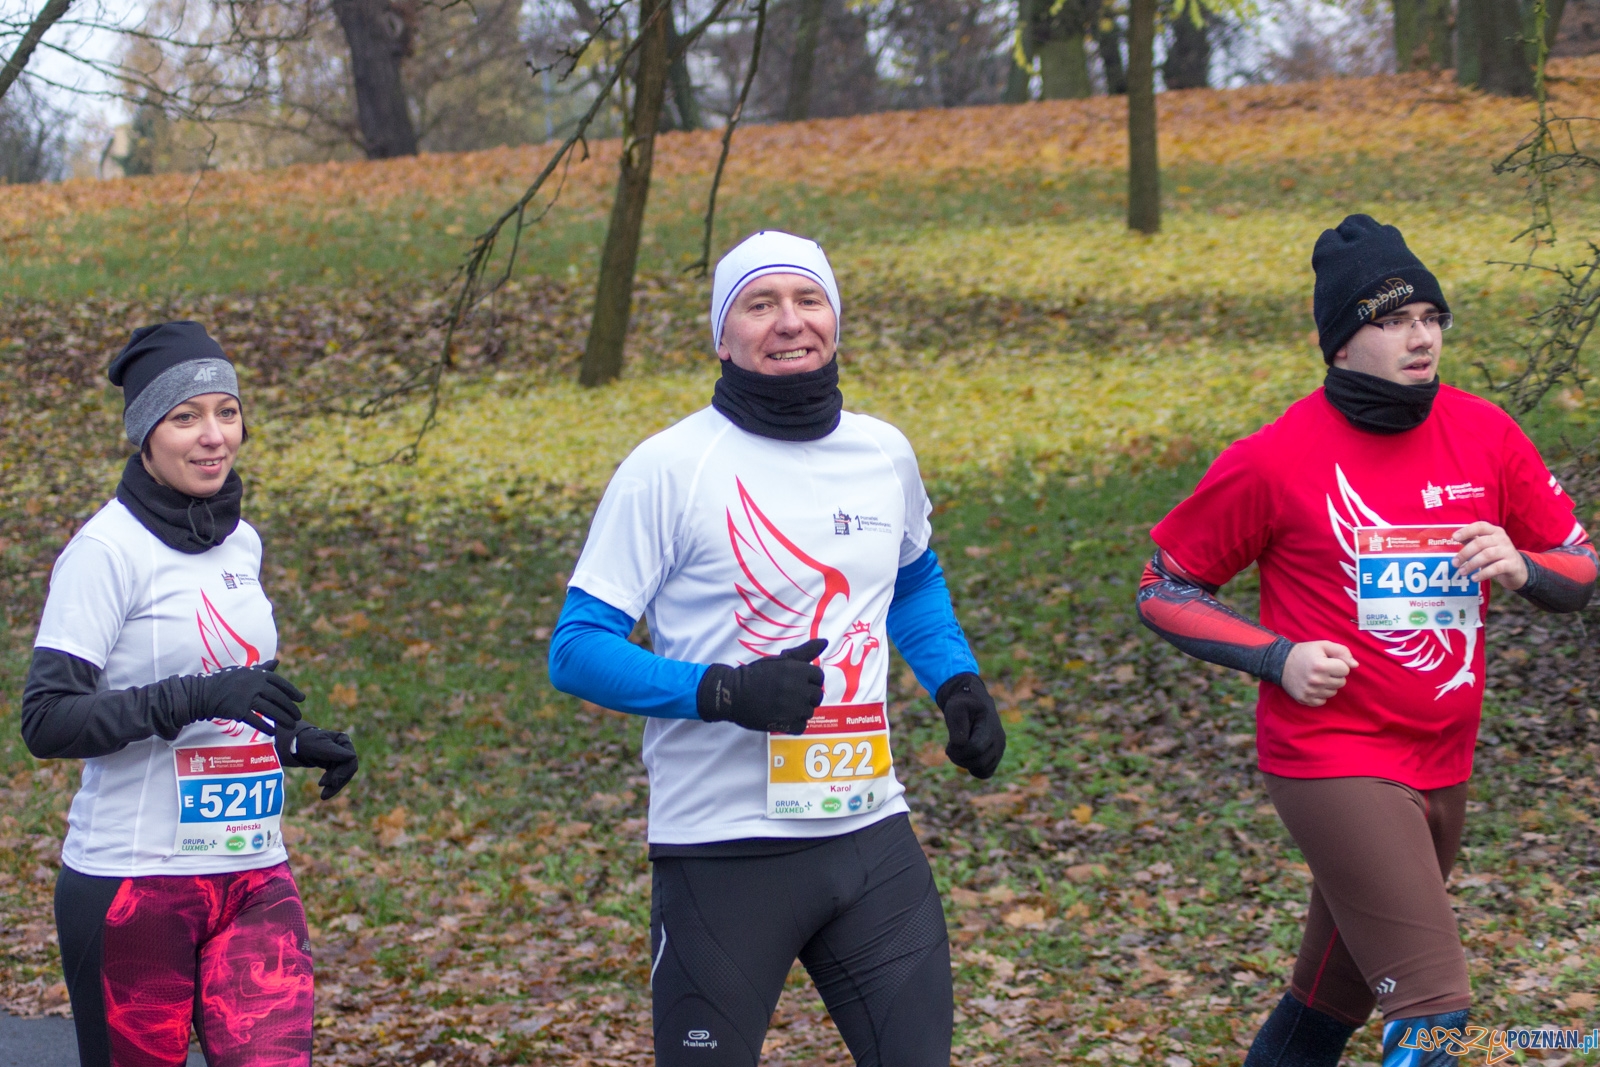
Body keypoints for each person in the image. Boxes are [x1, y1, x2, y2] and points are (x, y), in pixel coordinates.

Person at [1136, 215, 1597, 1067]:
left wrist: (1524, 565)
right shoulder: (1276, 457)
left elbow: (1577, 566)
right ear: (1340, 341)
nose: (1419, 337)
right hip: (1332, 757)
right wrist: (1277, 655)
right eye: (1391, 320)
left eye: (1430, 317)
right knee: (1434, 1008)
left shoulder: (1486, 433)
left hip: (1443, 760)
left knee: (1325, 1003)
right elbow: (1165, 586)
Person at [548, 230, 1007, 1067]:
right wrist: (722, 692)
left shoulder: (883, 452)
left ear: (836, 318)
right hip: (722, 851)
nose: (789, 322)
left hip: (869, 835)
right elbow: (576, 648)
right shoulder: (670, 468)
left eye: (808, 300)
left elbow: (910, 578)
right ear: (723, 336)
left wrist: (956, 681)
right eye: (760, 304)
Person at [20, 322, 360, 1067]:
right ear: (146, 434)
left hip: (253, 876)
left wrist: (288, 741)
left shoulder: (242, 544)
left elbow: (230, 698)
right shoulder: (106, 552)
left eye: (227, 412)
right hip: (135, 887)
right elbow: (45, 720)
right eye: (185, 417)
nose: (213, 437)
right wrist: (197, 696)